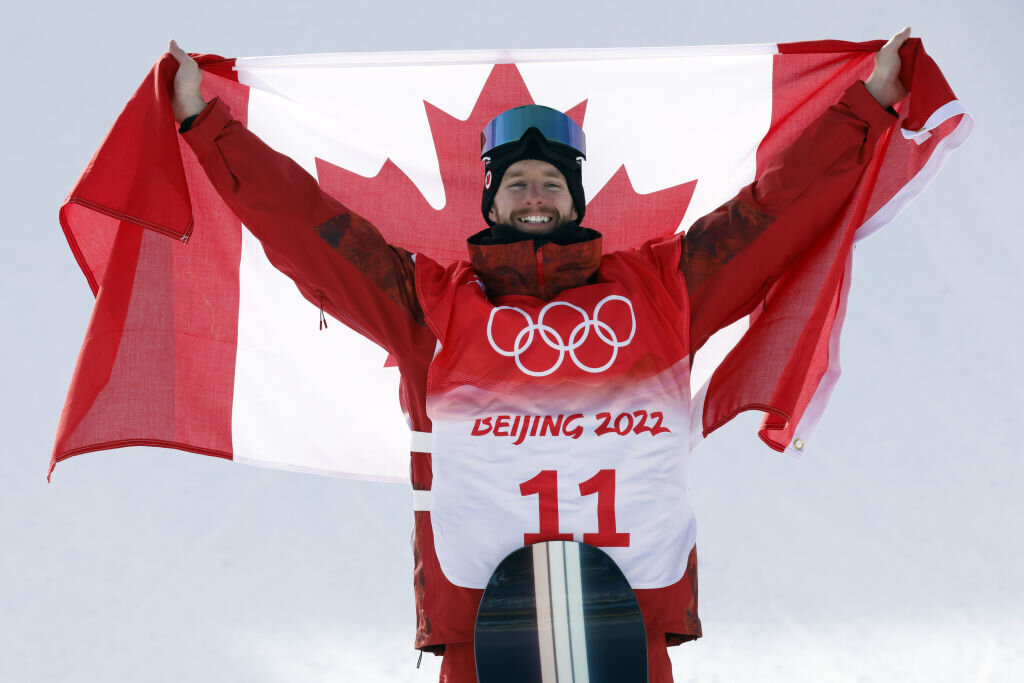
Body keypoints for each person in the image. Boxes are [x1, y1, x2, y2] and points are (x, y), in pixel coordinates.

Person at [168, 28, 911, 683]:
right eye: (517, 182)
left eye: (552, 182)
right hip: (486, 642)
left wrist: (868, 106)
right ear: (490, 201)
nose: (534, 195)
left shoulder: (661, 290)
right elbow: (311, 229)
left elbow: (771, 213)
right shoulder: (431, 306)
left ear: (576, 199)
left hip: (625, 632)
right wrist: (207, 125)